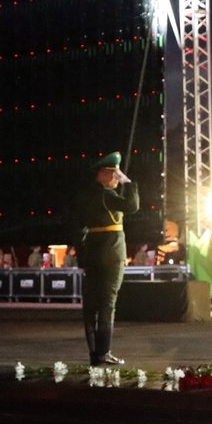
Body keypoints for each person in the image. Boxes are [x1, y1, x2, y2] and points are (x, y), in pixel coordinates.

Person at [76, 152, 138, 367]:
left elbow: (78, 229)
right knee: (107, 305)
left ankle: (94, 354)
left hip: (92, 255)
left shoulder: (85, 197)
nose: (116, 178)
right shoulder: (106, 195)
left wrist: (82, 256)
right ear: (102, 174)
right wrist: (129, 184)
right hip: (111, 256)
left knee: (90, 307)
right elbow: (132, 206)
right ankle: (104, 352)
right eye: (114, 174)